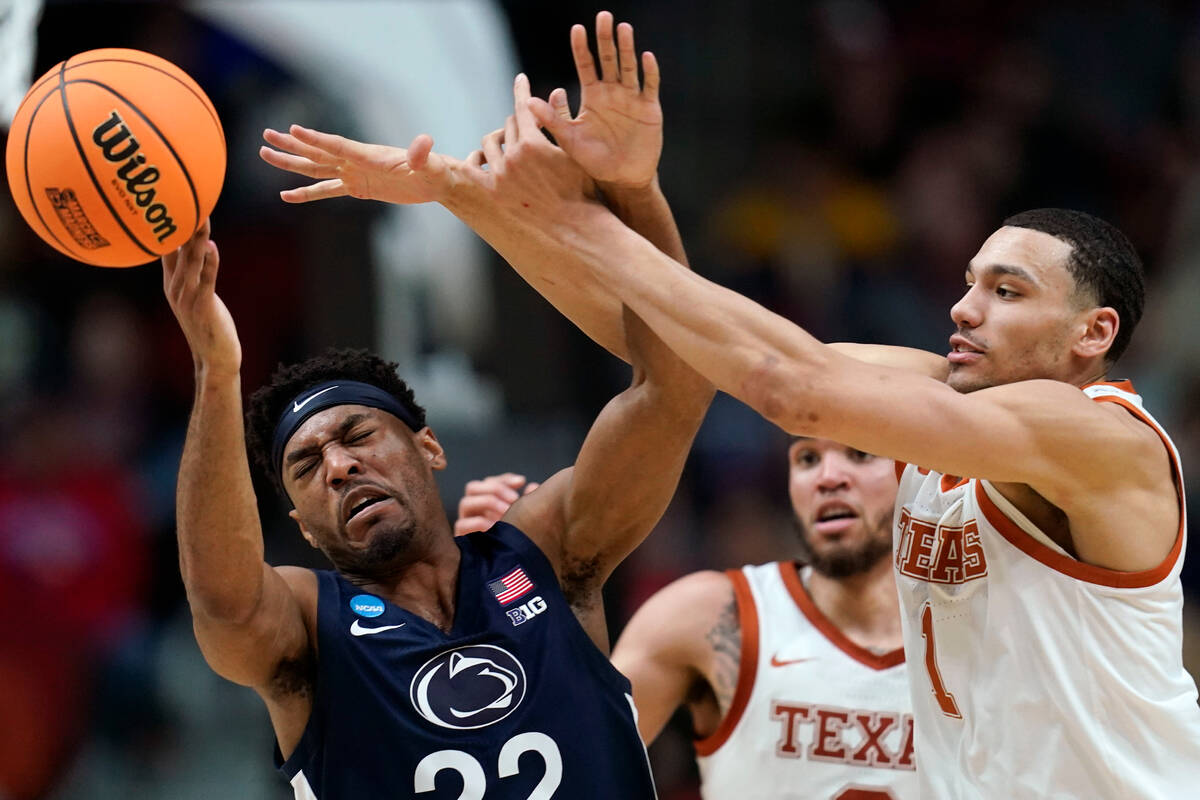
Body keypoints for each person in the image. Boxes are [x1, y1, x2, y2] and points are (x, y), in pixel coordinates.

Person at [259, 10, 1200, 796]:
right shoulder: (943, 392)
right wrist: (476, 195)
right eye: (967, 281)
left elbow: (789, 388)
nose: (962, 306)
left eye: (1007, 290)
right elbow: (680, 346)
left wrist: (578, 216)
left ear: (1094, 335)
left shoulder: (1098, 437)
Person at [164, 83, 712, 798]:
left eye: (358, 434)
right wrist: (215, 372)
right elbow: (223, 602)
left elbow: (671, 393)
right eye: (305, 465)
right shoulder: (310, 631)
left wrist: (636, 192)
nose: (337, 465)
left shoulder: (544, 550)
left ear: (430, 448)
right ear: (300, 523)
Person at [456, 437, 916, 800]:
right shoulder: (709, 616)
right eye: (808, 458)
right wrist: (493, 596)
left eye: (860, 452)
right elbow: (556, 762)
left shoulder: (980, 623)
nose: (828, 478)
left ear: (923, 472)